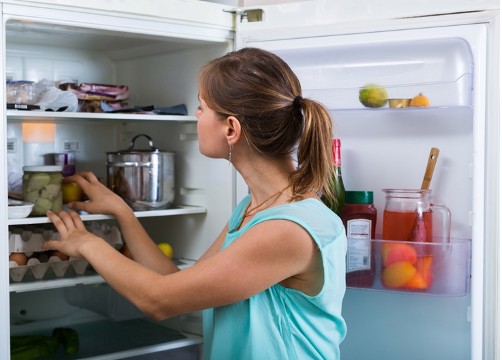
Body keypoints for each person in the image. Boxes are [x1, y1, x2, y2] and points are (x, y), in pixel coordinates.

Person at [42, 47, 347, 360]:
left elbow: (158, 301)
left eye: (202, 107)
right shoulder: (254, 208)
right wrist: (122, 211)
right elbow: (175, 285)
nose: (196, 116)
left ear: (230, 129)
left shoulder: (288, 229)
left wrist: (86, 244)